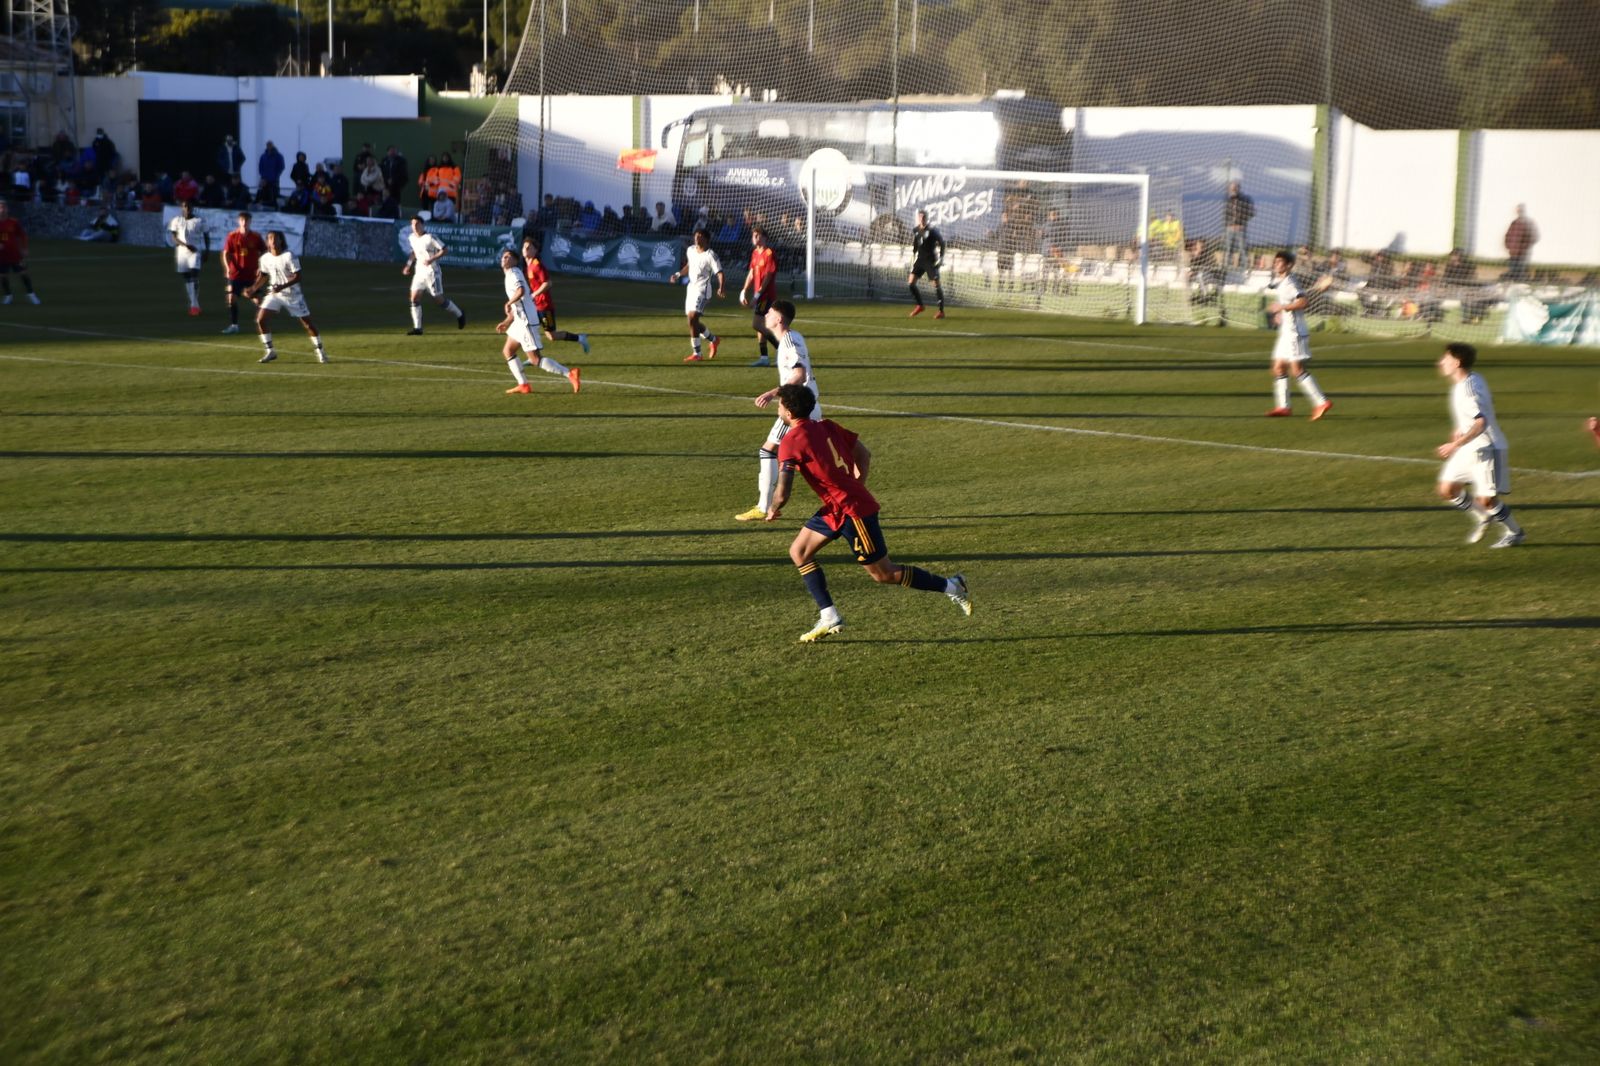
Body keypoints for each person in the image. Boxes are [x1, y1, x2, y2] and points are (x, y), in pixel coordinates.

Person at [763, 382, 971, 642]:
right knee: (799, 552)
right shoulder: (827, 426)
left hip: (853, 511)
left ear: (789, 412)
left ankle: (952, 585)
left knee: (883, 574)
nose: (778, 409)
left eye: (780, 405)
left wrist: (772, 508)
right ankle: (829, 616)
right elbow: (864, 453)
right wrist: (856, 484)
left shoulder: (791, 442)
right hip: (836, 507)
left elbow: (783, 491)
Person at [735, 298, 818, 521]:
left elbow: (799, 376)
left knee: (768, 451)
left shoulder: (790, 341)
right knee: (816, 461)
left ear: (779, 319)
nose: (766, 315)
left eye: (770, 312)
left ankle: (764, 507)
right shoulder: (791, 338)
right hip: (806, 406)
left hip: (798, 410)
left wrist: (773, 393)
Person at [1435, 343, 1523, 548]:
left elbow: (1480, 422)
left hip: (1488, 449)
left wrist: (1454, 444)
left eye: (1445, 359)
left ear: (1456, 363)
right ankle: (1483, 517)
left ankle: (1515, 533)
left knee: (1487, 501)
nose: (1440, 362)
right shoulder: (1473, 378)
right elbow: (1480, 408)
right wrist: (1460, 428)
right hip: (1469, 447)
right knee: (1447, 489)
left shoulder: (1466, 389)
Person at [494, 249, 580, 396]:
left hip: (527, 322)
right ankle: (523, 385)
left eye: (508, 257)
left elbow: (520, 291)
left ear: (515, 261)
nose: (504, 258)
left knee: (535, 359)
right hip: (520, 321)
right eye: (503, 256)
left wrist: (508, 302)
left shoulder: (514, 273)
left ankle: (570, 373)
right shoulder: (509, 275)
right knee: (508, 351)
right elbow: (519, 303)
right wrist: (508, 321)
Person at [1263, 250, 1331, 420]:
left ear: (1288, 265)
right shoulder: (1282, 281)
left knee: (1297, 370)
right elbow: (1281, 294)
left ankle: (1321, 402)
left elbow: (1303, 302)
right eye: (1276, 261)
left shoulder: (1290, 283)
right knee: (1278, 367)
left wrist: (1282, 308)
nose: (1276, 264)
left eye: (1280, 262)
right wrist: (1282, 313)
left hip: (1295, 333)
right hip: (1286, 333)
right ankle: (1283, 407)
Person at [245, 230, 328, 364]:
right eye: (270, 238)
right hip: (274, 294)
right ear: (267, 242)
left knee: (307, 324)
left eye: (275, 238)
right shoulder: (265, 258)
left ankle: (320, 350)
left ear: (281, 241)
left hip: (292, 295)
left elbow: (298, 276)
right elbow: (264, 276)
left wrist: (282, 286)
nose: (272, 240)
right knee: (260, 319)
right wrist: (253, 288)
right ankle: (270, 351)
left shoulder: (289, 256)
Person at [521, 235, 590, 355]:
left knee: (551, 336)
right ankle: (534, 357)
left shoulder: (537, 265)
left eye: (529, 247)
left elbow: (548, 283)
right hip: (535, 305)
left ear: (535, 250)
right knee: (529, 328)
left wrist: (534, 295)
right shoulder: (528, 266)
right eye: (524, 247)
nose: (526, 249)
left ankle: (580, 338)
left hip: (544, 305)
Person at [402, 215, 467, 334]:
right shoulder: (412, 238)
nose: (415, 227)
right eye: (412, 224)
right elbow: (414, 252)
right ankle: (418, 328)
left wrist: (432, 259)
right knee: (414, 298)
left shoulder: (430, 237)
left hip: (432, 272)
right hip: (419, 272)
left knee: (439, 300)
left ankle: (460, 314)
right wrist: (408, 265)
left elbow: (445, 249)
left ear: (422, 225)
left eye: (417, 224)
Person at [670, 228, 725, 362]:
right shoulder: (691, 250)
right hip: (691, 288)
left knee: (693, 316)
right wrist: (678, 274)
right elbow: (689, 265)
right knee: (692, 321)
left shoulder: (711, 255)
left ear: (706, 239)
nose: (696, 238)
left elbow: (720, 273)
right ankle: (714, 339)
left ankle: (697, 354)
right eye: (696, 235)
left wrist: (721, 287)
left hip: (703, 290)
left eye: (700, 236)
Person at [739, 226, 781, 366]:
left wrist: (756, 296)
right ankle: (764, 358)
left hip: (766, 295)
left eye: (758, 235)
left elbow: (768, 277)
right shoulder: (754, 253)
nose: (755, 238)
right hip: (759, 295)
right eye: (753, 235)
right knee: (760, 326)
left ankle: (781, 348)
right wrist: (744, 290)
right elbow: (751, 273)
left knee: (756, 324)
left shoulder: (769, 253)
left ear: (764, 238)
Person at [220, 210, 267, 335]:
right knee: (231, 298)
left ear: (250, 222)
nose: (244, 222)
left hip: (251, 274)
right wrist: (228, 268)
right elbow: (226, 254)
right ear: (239, 221)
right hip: (235, 274)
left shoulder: (256, 237)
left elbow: (264, 252)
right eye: (242, 220)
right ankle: (234, 325)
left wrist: (261, 266)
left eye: (247, 220)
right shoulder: (232, 236)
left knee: (257, 300)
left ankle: (262, 322)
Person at [167, 200, 209, 316]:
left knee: (194, 276)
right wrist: (185, 245)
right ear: (182, 208)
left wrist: (207, 251)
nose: (187, 208)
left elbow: (206, 235)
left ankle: (194, 306)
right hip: (182, 253)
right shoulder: (176, 220)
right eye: (185, 206)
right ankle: (195, 303)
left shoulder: (199, 220)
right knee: (186, 277)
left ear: (192, 207)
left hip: (195, 251)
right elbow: (174, 238)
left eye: (189, 206)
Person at [907, 209, 946, 318]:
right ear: (918, 218)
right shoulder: (915, 230)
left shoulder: (932, 230)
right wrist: (913, 256)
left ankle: (941, 311)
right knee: (911, 283)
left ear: (927, 218)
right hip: (920, 260)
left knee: (936, 284)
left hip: (930, 261)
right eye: (920, 217)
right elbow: (915, 244)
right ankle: (920, 305)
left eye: (923, 217)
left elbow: (942, 243)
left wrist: (941, 258)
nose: (922, 219)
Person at [0, 200, 40, 304]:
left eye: (4, 207)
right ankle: (8, 295)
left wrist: (25, 248)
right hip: (2, 256)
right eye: (0, 207)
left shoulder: (13, 222)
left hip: (15, 254)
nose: (2, 210)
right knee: (3, 276)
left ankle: (31, 294)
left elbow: (22, 235)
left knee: (23, 273)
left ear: (7, 209)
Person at [1221, 180, 1255, 270]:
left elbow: (1251, 212)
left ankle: (1245, 268)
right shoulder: (1227, 200)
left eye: (1235, 188)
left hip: (1240, 228)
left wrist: (1241, 223)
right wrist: (1228, 225)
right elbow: (1225, 214)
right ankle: (1227, 267)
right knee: (1228, 249)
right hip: (1229, 228)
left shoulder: (1245, 199)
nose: (1233, 190)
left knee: (1242, 248)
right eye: (1231, 188)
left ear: (1239, 188)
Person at [1503, 204, 1538, 282]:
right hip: (1513, 253)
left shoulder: (1528, 223)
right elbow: (1508, 235)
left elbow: (1534, 237)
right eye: (1518, 210)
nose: (1519, 211)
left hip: (1522, 254)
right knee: (1513, 273)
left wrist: (1525, 246)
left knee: (1520, 274)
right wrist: (1508, 245)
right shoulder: (1514, 223)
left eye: (1520, 210)